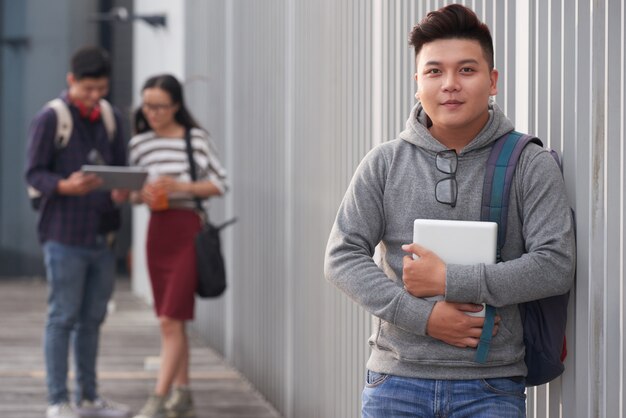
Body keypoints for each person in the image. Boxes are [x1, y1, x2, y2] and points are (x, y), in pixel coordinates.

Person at [324, 4, 576, 417]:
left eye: (467, 70)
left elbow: (555, 265)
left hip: (490, 386)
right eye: (435, 71)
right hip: (395, 383)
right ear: (418, 82)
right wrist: (425, 318)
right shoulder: (384, 163)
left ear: (492, 81)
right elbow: (341, 256)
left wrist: (449, 279)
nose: (450, 85)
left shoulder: (530, 162)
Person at [25, 46, 130, 418]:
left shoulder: (111, 117)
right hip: (63, 236)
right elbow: (33, 174)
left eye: (101, 89)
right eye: (88, 89)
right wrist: (65, 186)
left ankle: (88, 398)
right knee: (62, 317)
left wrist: (121, 189)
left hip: (103, 236)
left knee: (92, 319)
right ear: (71, 81)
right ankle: (57, 401)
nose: (94, 96)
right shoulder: (51, 118)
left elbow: (121, 169)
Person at [128, 74, 227, 418]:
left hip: (188, 232)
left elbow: (220, 183)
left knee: (171, 318)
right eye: (147, 106)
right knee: (171, 321)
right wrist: (139, 194)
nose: (153, 113)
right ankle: (182, 394)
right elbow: (129, 191)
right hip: (158, 232)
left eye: (160, 106)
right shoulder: (140, 143)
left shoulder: (195, 140)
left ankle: (157, 399)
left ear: (176, 106)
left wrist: (180, 187)